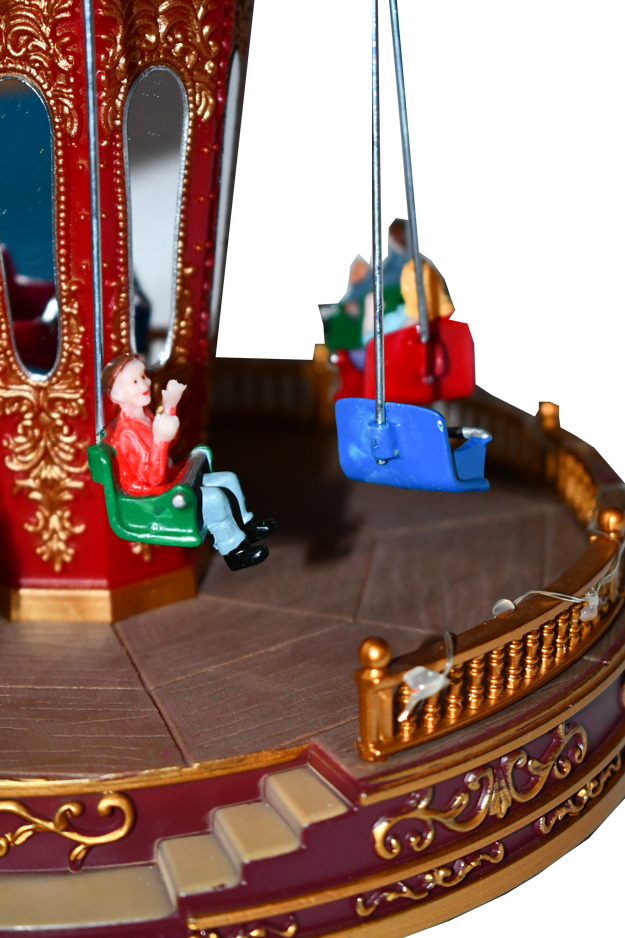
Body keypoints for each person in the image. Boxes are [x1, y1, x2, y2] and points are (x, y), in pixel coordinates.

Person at [101, 353, 276, 571]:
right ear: (117, 394)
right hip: (153, 495)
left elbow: (170, 441)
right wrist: (160, 439)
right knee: (213, 498)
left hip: (170, 475)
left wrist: (170, 407)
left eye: (143, 376)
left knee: (228, 479)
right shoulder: (127, 434)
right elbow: (153, 478)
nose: (145, 384)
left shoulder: (144, 414)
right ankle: (234, 550)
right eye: (135, 382)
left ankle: (245, 525)